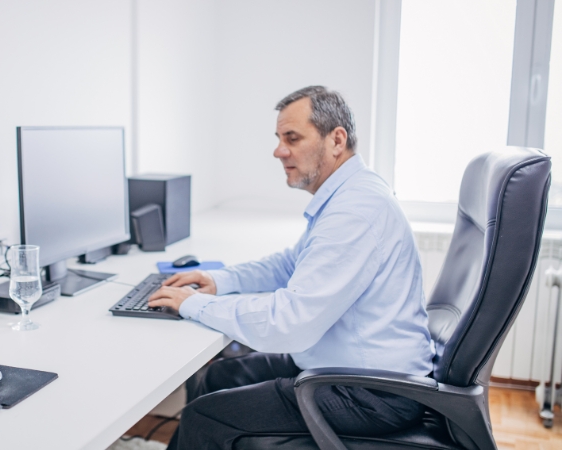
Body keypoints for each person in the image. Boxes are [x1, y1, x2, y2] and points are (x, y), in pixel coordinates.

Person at [148, 86, 435, 449]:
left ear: (336, 139)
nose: (278, 150)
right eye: (279, 138)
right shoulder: (348, 194)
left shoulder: (355, 211)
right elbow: (290, 264)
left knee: (203, 417)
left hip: (373, 393)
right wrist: (218, 280)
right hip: (342, 366)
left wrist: (192, 304)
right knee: (218, 375)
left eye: (292, 138)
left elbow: (290, 323)